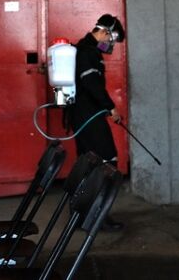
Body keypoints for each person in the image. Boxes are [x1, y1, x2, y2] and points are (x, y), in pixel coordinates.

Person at [69, 13, 126, 231]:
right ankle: (96, 216)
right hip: (88, 116)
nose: (110, 44)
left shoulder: (86, 50)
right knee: (105, 161)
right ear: (104, 31)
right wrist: (110, 107)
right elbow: (92, 84)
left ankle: (81, 215)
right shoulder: (88, 53)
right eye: (111, 39)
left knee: (88, 162)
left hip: (84, 115)